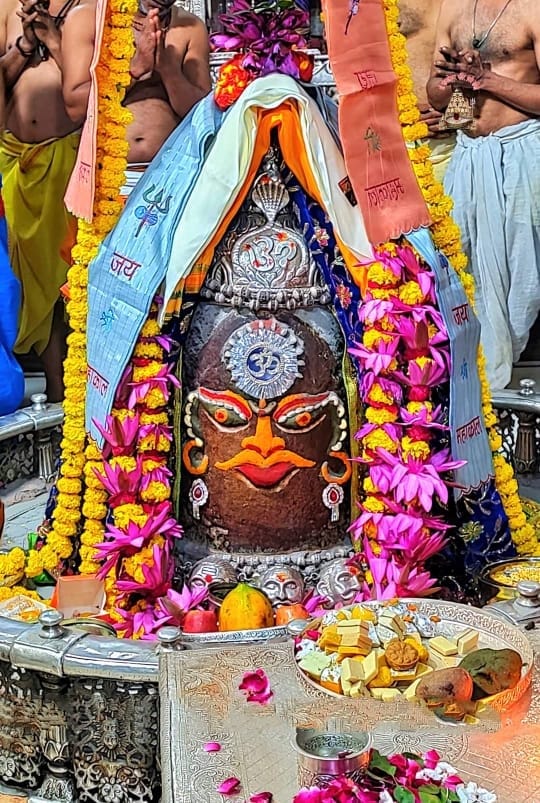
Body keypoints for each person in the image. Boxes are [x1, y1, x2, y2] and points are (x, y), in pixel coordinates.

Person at [427, 0, 540, 391]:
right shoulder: (452, 6)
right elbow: (435, 95)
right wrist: (445, 85)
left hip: (522, 154)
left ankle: (512, 395)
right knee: (459, 268)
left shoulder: (533, 8)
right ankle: (477, 390)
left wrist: (487, 81)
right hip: (469, 155)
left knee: (523, 278)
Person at [0, 0, 94, 402]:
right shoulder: (6, 7)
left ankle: (63, 393)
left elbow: (88, 86)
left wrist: (54, 40)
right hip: (12, 159)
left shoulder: (86, 10)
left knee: (61, 280)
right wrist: (24, 43)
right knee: (13, 274)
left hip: (62, 160)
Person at [121, 0, 212, 199]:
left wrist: (168, 70)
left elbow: (200, 112)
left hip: (169, 172)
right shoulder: (102, 21)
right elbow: (81, 101)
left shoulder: (191, 27)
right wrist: (136, 68)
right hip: (108, 171)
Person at [399, 0, 455, 185]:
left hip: (450, 143)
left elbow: (492, 62)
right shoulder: (356, 6)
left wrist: (459, 116)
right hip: (388, 143)